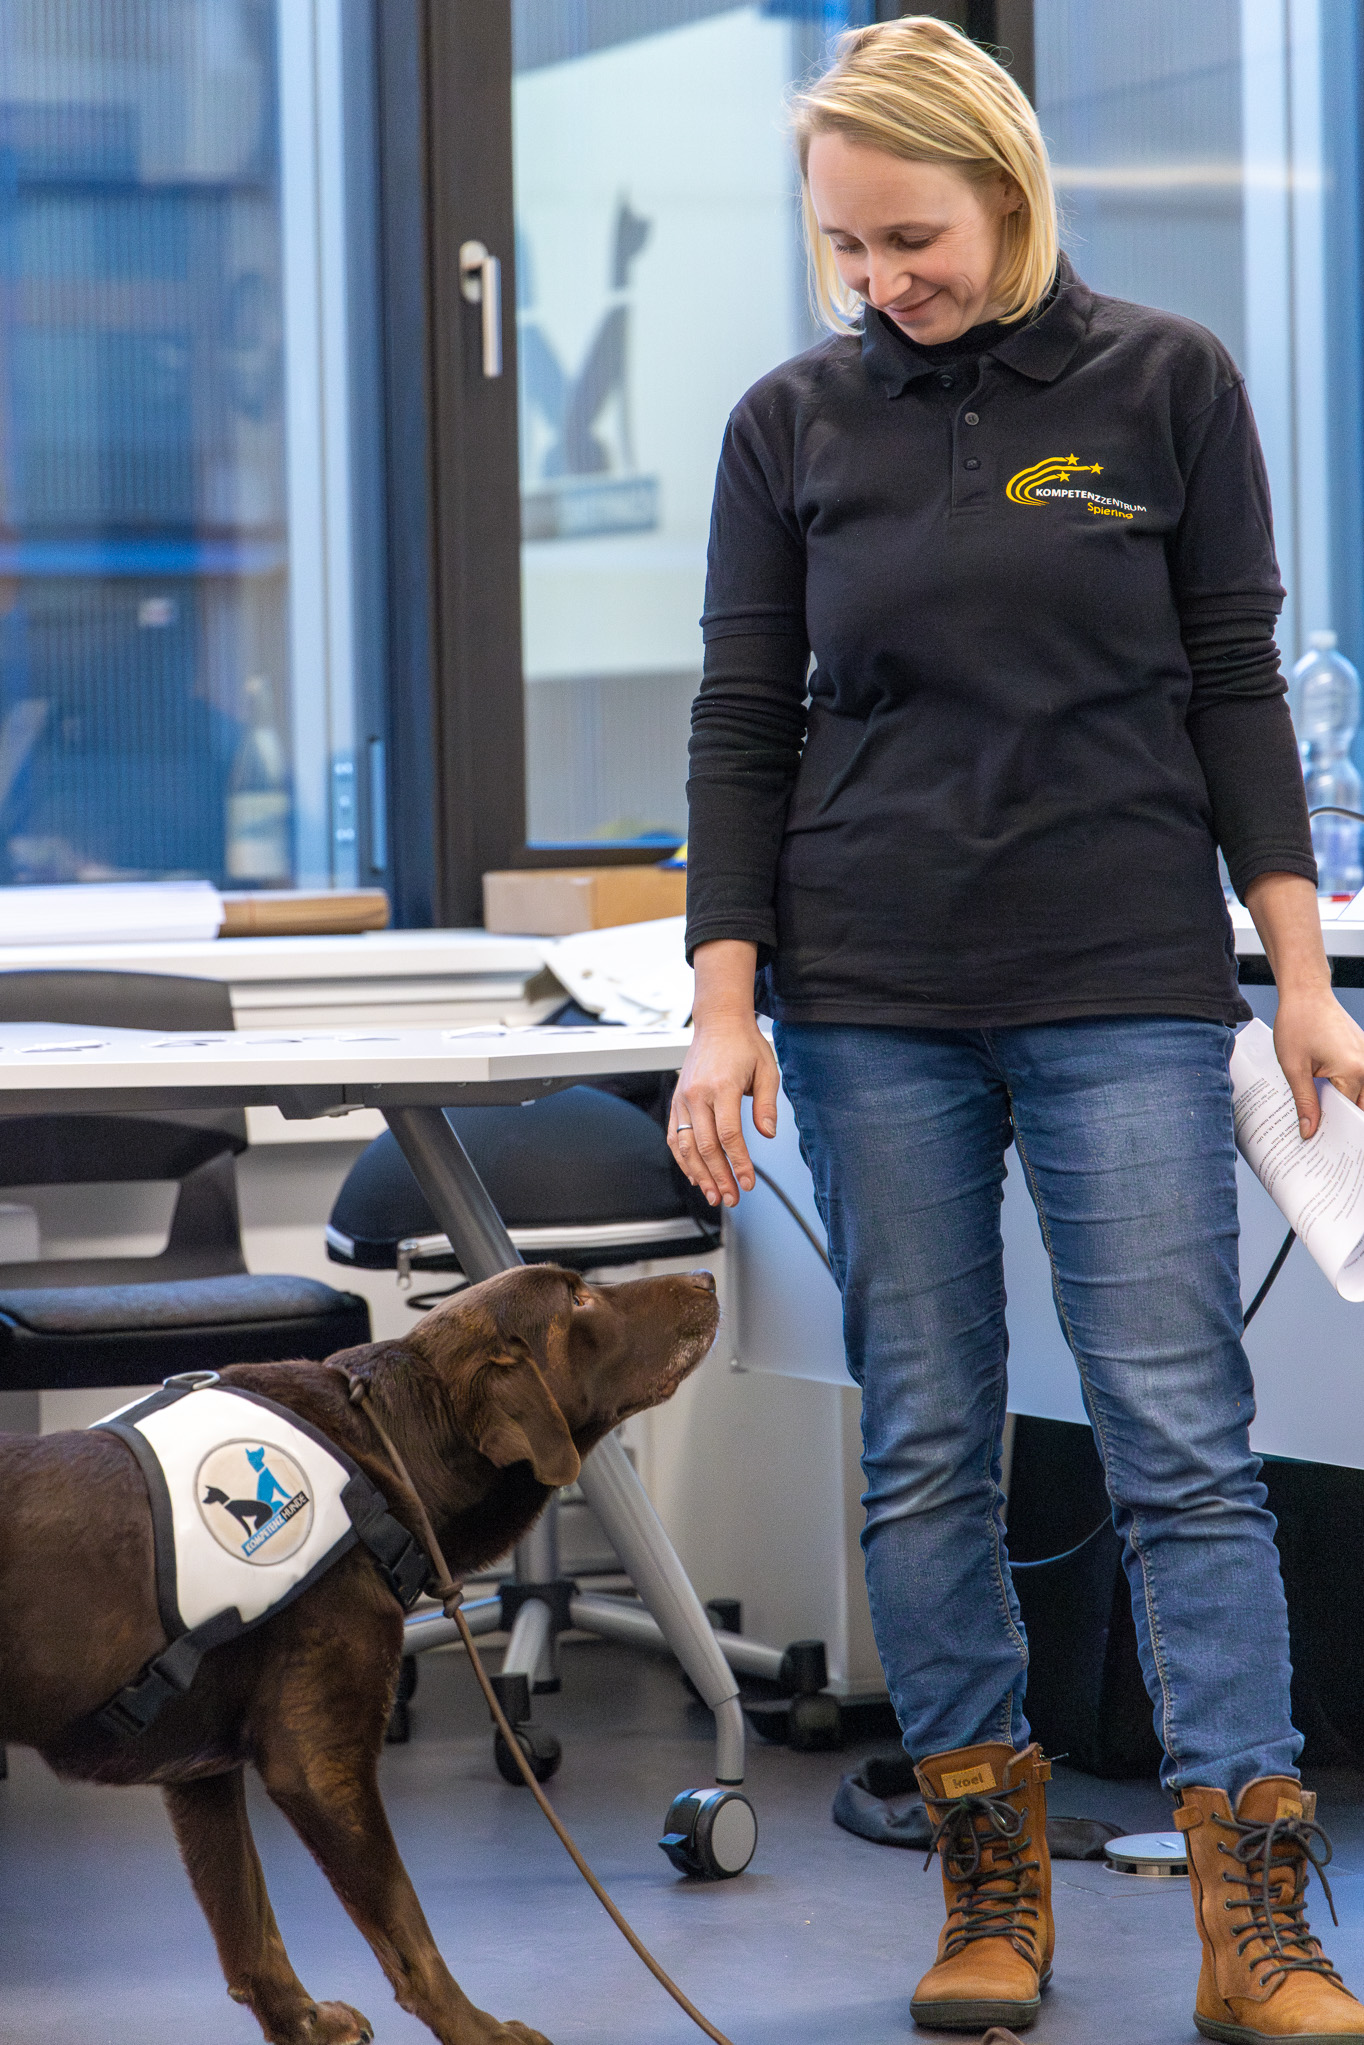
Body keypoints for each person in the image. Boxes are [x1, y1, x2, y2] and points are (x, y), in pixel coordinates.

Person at [670, 16, 1364, 2039]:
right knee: (925, 1442)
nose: (882, 276)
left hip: (1121, 975)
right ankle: (991, 1882)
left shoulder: (1168, 383)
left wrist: (1299, 975)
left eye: (914, 237)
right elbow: (741, 725)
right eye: (847, 244)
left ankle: (1255, 1914)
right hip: (869, 991)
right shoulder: (787, 426)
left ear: (1008, 191)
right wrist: (723, 1009)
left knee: (1179, 1439)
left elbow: (1234, 691)